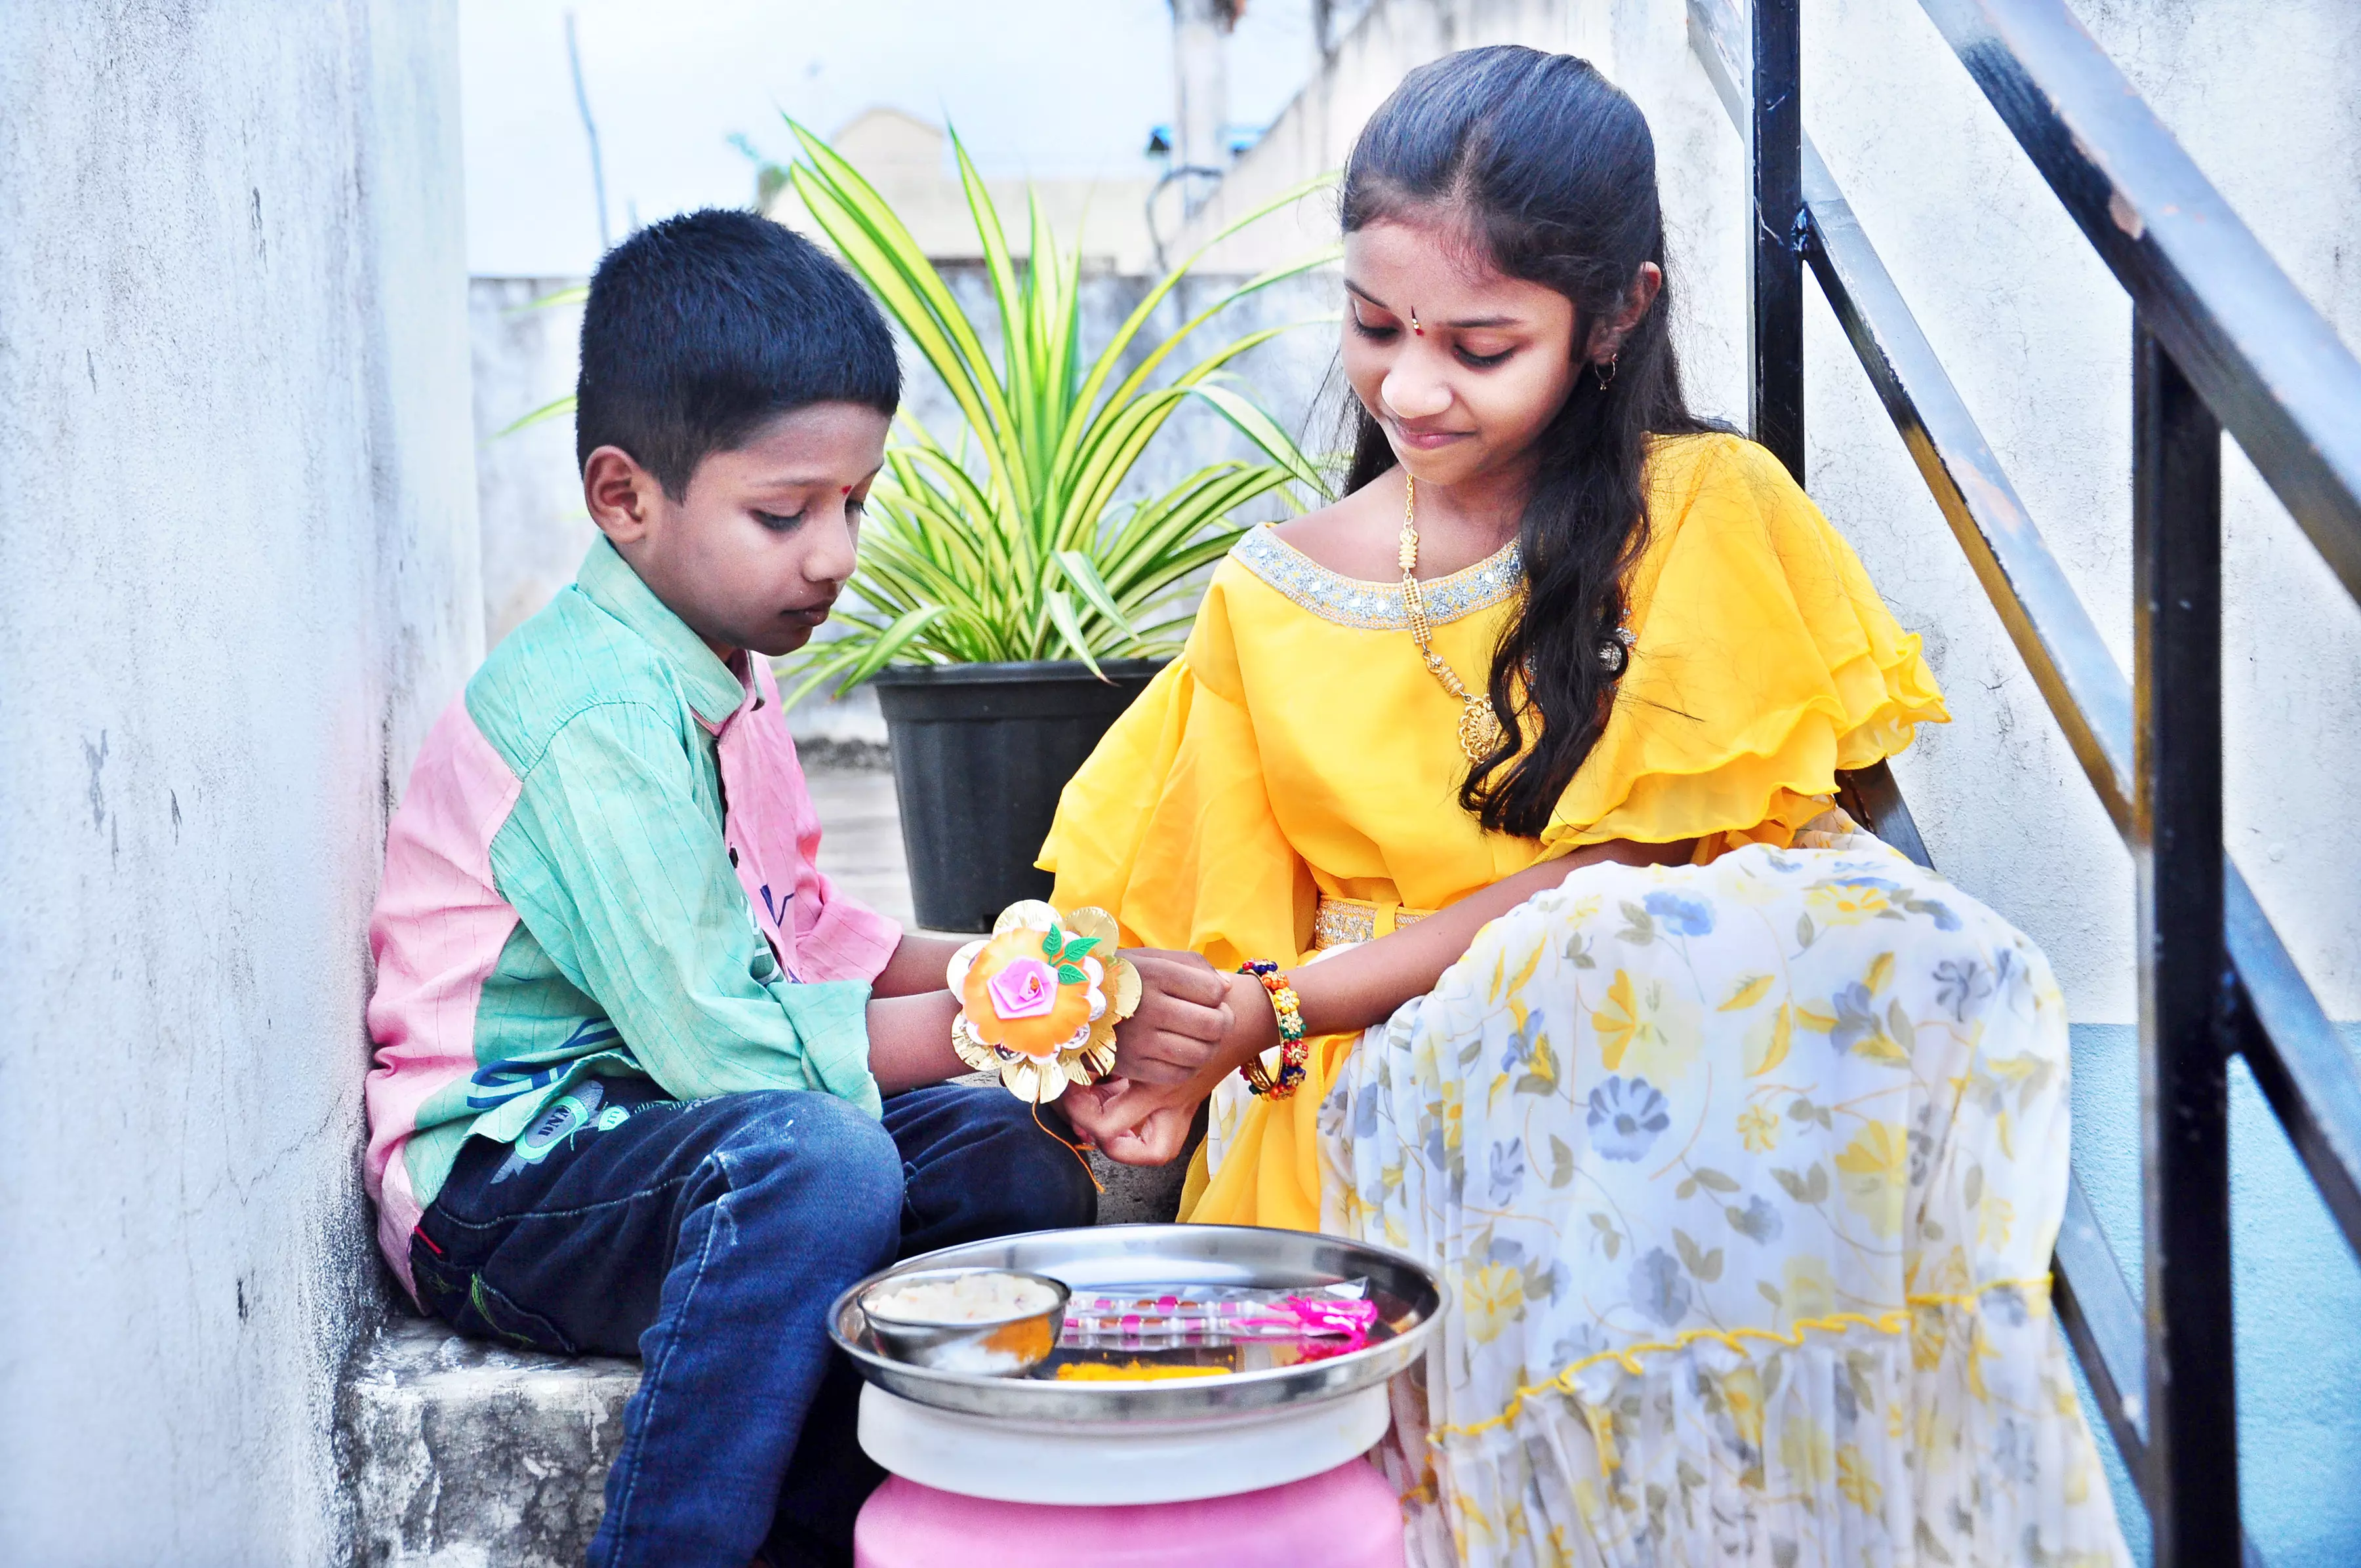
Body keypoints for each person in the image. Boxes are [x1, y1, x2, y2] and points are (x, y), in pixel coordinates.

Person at [1046, 49, 2129, 1567]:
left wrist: (1271, 1006)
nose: (1411, 387)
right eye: (1373, 328)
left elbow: (1633, 860)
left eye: (1480, 345)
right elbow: (1193, 927)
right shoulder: (1271, 590)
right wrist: (1151, 1055)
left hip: (1624, 1083)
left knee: (1705, 946)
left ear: (1616, 312)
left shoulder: (1704, 510)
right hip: (1363, 1099)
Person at [362, 209, 1230, 1568]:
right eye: (785, 512)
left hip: (683, 1140)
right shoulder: (595, 711)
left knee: (1006, 1155)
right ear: (624, 496)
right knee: (822, 1164)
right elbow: (732, 1052)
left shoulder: (729, 662)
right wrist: (1019, 1023)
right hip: (508, 1179)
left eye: (855, 503)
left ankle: (832, 1536)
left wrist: (1049, 961)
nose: (834, 553)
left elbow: (809, 930)